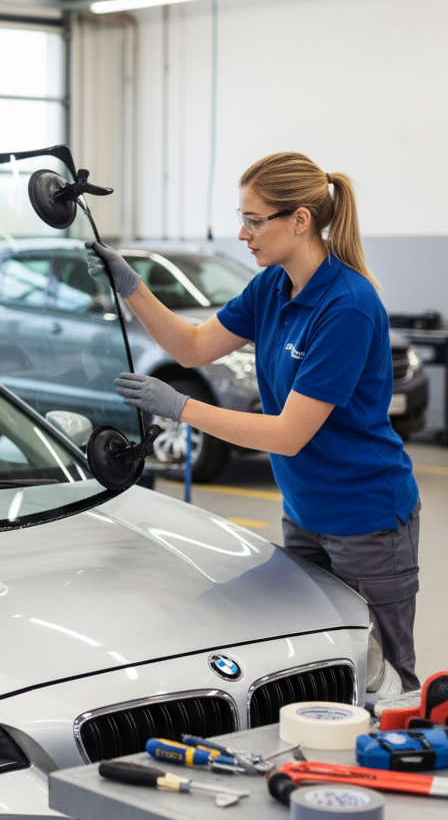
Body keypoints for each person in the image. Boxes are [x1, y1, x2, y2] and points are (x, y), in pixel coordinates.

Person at [88, 151, 420, 690]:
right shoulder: (272, 287)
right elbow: (193, 346)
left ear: (300, 220)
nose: (243, 234)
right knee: (314, 674)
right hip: (305, 513)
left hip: (367, 522)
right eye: (241, 219)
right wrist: (131, 287)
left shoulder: (347, 307)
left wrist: (181, 408)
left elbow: (288, 435)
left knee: (384, 683)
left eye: (254, 220)